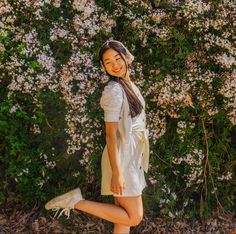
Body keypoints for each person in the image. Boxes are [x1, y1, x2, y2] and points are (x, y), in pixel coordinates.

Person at [44, 40, 150, 234]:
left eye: (117, 58)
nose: (115, 65)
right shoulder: (114, 91)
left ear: (126, 57)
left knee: (123, 216)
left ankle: (75, 201)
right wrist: (117, 172)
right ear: (103, 67)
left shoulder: (128, 84)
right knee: (134, 217)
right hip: (121, 157)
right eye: (108, 62)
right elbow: (110, 135)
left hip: (131, 155)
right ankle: (76, 201)